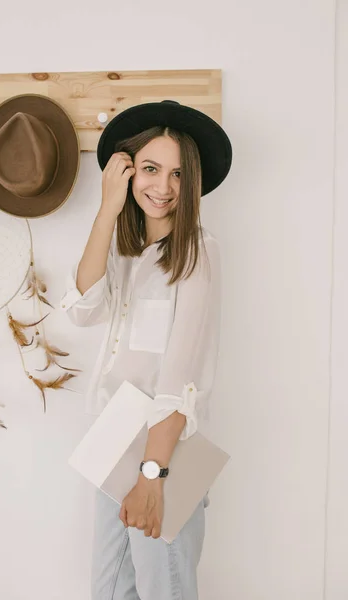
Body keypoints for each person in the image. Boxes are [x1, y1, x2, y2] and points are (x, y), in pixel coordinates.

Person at [60, 100, 232, 600]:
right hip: (113, 449)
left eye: (179, 174)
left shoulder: (199, 251)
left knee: (165, 591)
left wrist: (153, 476)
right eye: (151, 169)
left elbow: (181, 377)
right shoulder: (125, 251)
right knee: (109, 592)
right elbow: (81, 309)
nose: (163, 187)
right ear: (129, 170)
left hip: (162, 457)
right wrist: (107, 210)